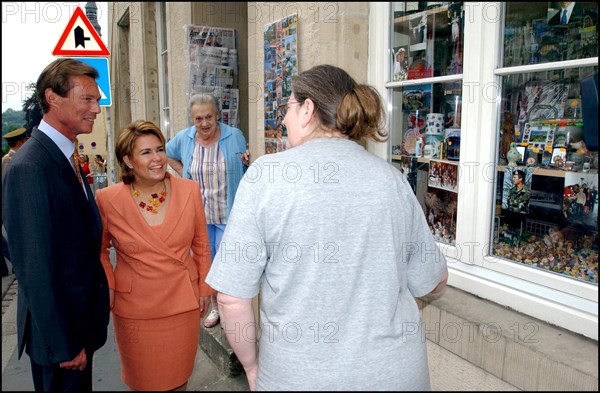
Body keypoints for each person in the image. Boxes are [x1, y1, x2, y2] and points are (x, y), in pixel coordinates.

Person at [206, 64, 448, 390]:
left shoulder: (265, 177)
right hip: (393, 376)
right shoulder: (391, 180)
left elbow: (231, 299)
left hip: (299, 378)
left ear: (307, 110)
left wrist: (251, 366)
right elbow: (433, 281)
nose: (283, 119)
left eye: (288, 108)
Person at [1, 58, 109, 391]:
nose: (97, 109)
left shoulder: (62, 154)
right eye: (87, 99)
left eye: (97, 100)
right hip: (61, 342)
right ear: (53, 97)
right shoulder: (31, 166)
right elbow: (35, 267)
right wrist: (64, 344)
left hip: (76, 329)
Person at [95, 120, 213, 391]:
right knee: (144, 383)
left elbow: (202, 243)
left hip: (181, 304)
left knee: (178, 381)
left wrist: (205, 286)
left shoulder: (189, 190)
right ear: (128, 160)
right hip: (136, 311)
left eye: (159, 149)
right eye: (146, 152)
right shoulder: (108, 199)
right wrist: (109, 287)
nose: (158, 159)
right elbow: (100, 250)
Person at [166, 93, 250, 329]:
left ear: (217, 115)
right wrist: (182, 172)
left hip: (227, 213)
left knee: (227, 264)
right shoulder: (184, 138)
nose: (204, 123)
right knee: (206, 265)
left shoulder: (234, 136)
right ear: (192, 119)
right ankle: (215, 308)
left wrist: (247, 161)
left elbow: (245, 165)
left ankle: (229, 309)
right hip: (199, 216)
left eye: (209, 117)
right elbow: (167, 153)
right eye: (198, 118)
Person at [2, 127, 29, 276]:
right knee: (16, 238)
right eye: (25, 141)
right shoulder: (9, 160)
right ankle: (16, 266)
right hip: (12, 206)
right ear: (20, 142)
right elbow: (7, 186)